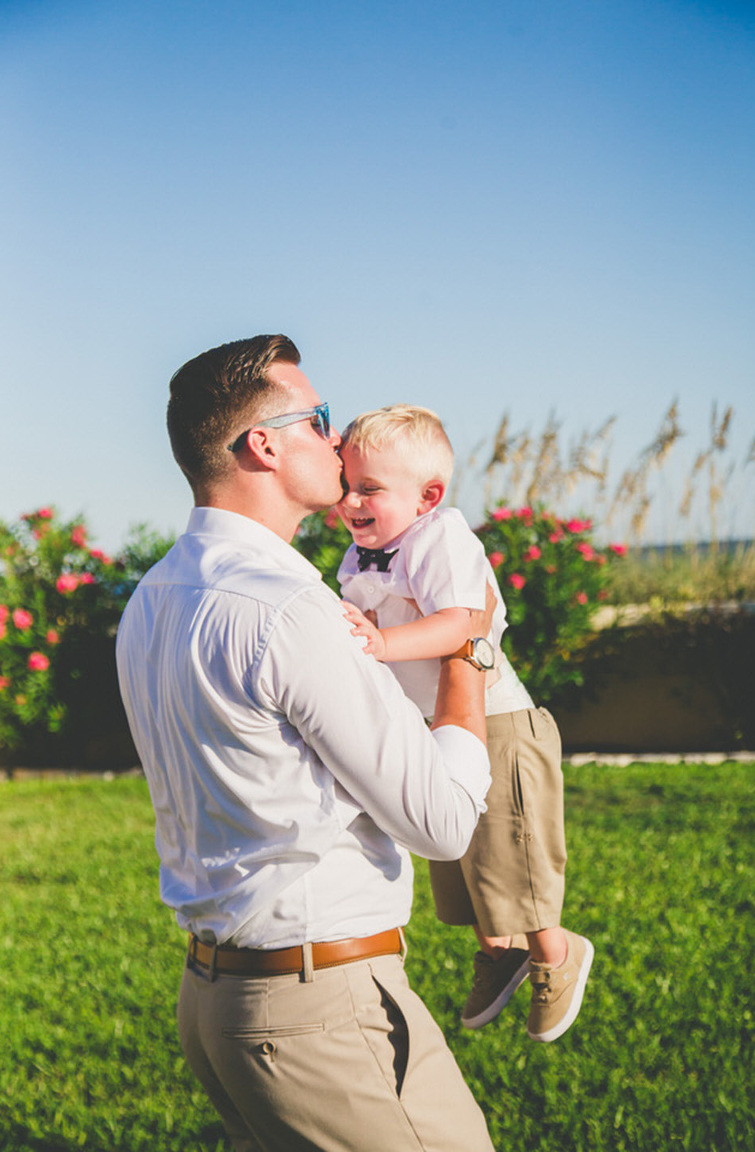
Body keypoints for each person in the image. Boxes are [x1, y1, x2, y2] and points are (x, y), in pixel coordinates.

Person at [116, 336, 499, 1152]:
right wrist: (470, 650)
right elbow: (441, 823)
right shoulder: (289, 610)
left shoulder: (152, 597)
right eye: (319, 419)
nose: (338, 437)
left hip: (217, 1003)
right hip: (316, 1011)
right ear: (264, 444)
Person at [336, 404, 593, 1042]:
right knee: (459, 859)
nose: (350, 501)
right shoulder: (361, 556)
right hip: (433, 724)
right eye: (345, 485)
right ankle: (500, 950)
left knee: (511, 854)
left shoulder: (440, 537)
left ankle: (556, 952)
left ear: (427, 496)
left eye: (369, 488)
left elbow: (459, 624)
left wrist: (380, 644)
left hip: (498, 720)